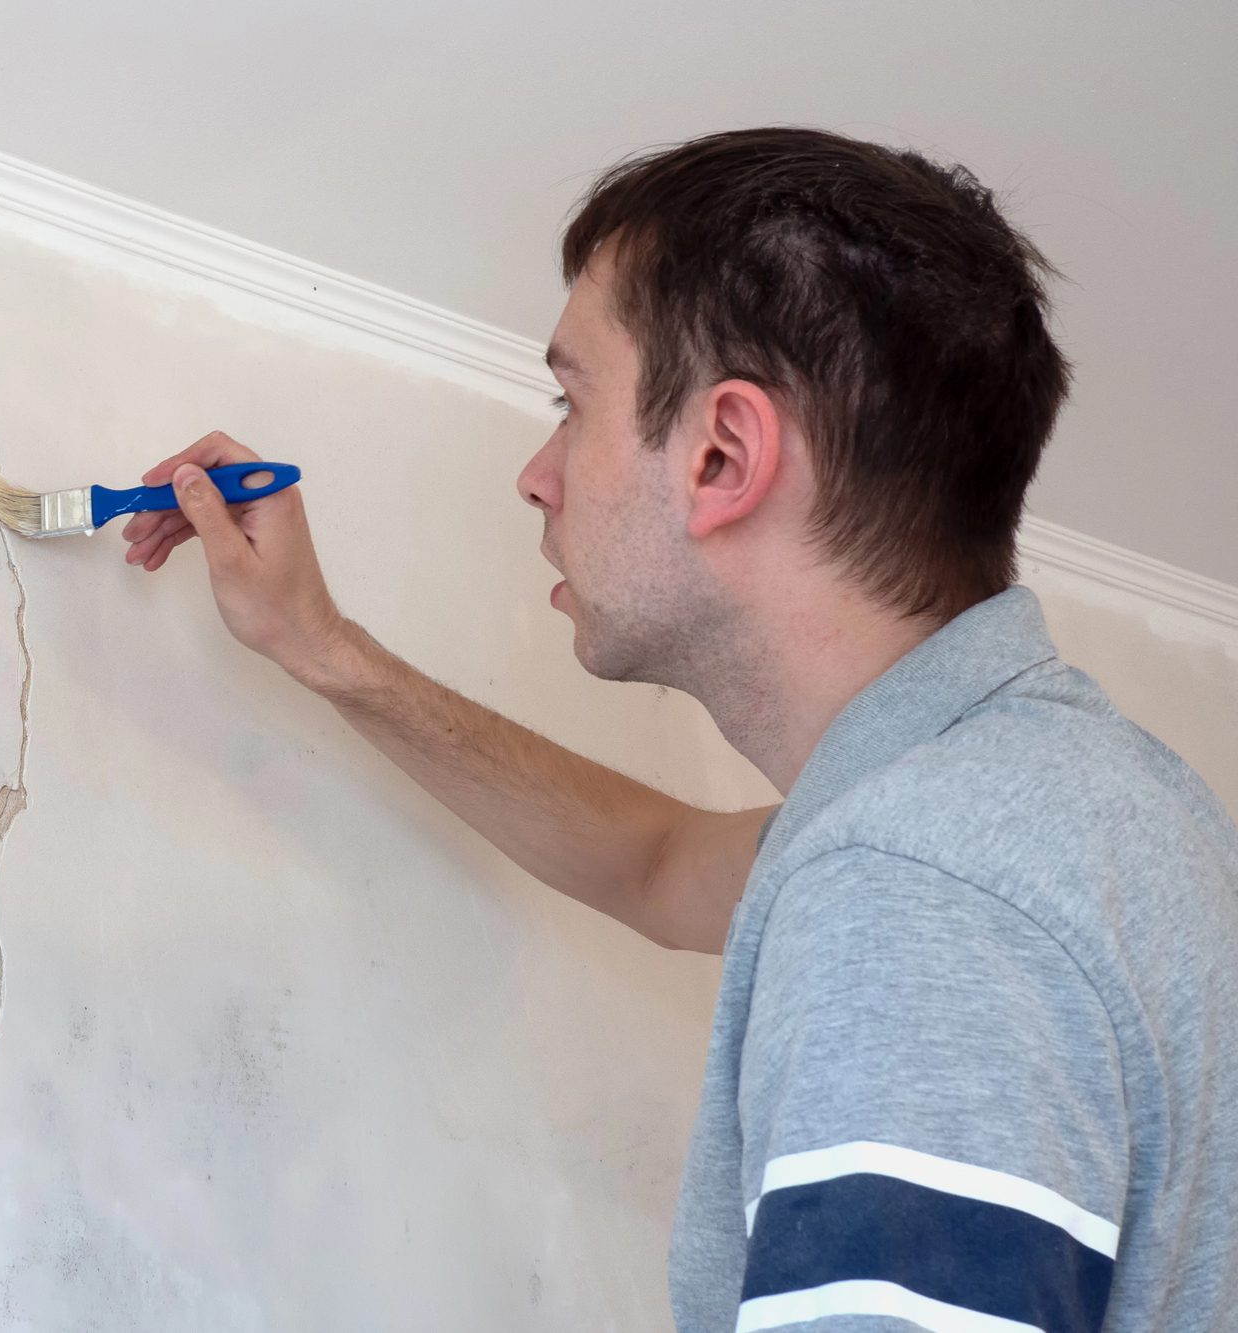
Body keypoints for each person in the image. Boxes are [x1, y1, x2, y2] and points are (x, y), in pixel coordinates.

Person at [120, 128, 1238, 1332]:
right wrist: (322, 647)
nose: (535, 474)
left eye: (569, 402)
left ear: (721, 454)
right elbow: (655, 864)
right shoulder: (1075, 810)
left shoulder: (916, 875)